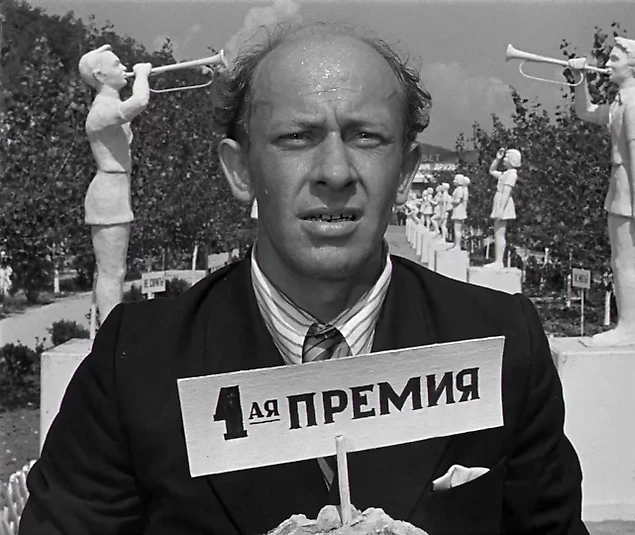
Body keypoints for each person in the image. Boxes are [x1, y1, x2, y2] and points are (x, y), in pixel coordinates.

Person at [21, 21, 588, 535]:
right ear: (240, 171)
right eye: (297, 137)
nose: (335, 172)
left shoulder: (501, 342)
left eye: (366, 136)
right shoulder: (136, 364)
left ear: (405, 172)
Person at [569, 37, 635, 346]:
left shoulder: (634, 107)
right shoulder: (620, 104)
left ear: (633, 66)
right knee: (619, 261)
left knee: (626, 263)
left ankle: (628, 327)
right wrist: (579, 80)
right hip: (622, 183)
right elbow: (586, 111)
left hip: (632, 185)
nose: (607, 64)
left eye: (615, 59)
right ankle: (626, 325)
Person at [77, 45, 152, 325]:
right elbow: (138, 102)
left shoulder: (108, 106)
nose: (124, 69)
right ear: (100, 75)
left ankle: (111, 329)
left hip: (117, 189)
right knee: (111, 272)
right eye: (117, 64)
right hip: (108, 192)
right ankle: (109, 333)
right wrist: (142, 75)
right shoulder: (101, 110)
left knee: (116, 270)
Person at [487, 148, 521, 268]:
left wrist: (501, 209)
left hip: (503, 203)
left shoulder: (512, 175)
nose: (504, 160)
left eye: (506, 157)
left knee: (500, 233)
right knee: (497, 232)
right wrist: (497, 159)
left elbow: (506, 192)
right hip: (500, 201)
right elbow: (491, 170)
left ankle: (499, 261)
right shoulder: (506, 174)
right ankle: (498, 260)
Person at [450, 173, 470, 250]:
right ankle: (456, 244)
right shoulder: (459, 189)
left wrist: (451, 201)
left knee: (457, 229)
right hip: (458, 209)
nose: (453, 181)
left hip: (459, 210)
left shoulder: (460, 190)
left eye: (455, 179)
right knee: (457, 228)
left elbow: (458, 200)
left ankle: (457, 245)